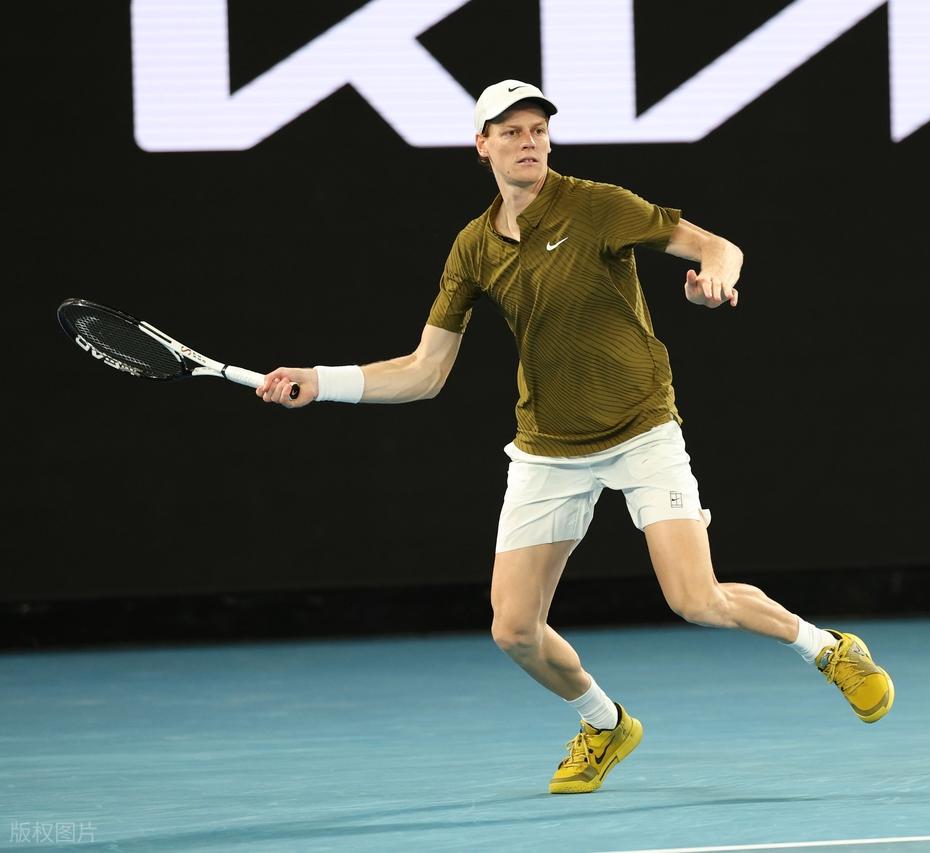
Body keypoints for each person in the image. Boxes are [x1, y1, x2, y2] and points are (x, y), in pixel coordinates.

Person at [256, 79, 894, 794]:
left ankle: (827, 649)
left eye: (537, 129)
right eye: (511, 132)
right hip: (548, 448)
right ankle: (604, 722)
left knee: (695, 598)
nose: (528, 142)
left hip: (641, 427)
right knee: (513, 630)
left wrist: (713, 279)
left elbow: (717, 247)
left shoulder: (597, 205)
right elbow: (424, 372)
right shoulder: (472, 247)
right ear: (482, 146)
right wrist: (320, 379)